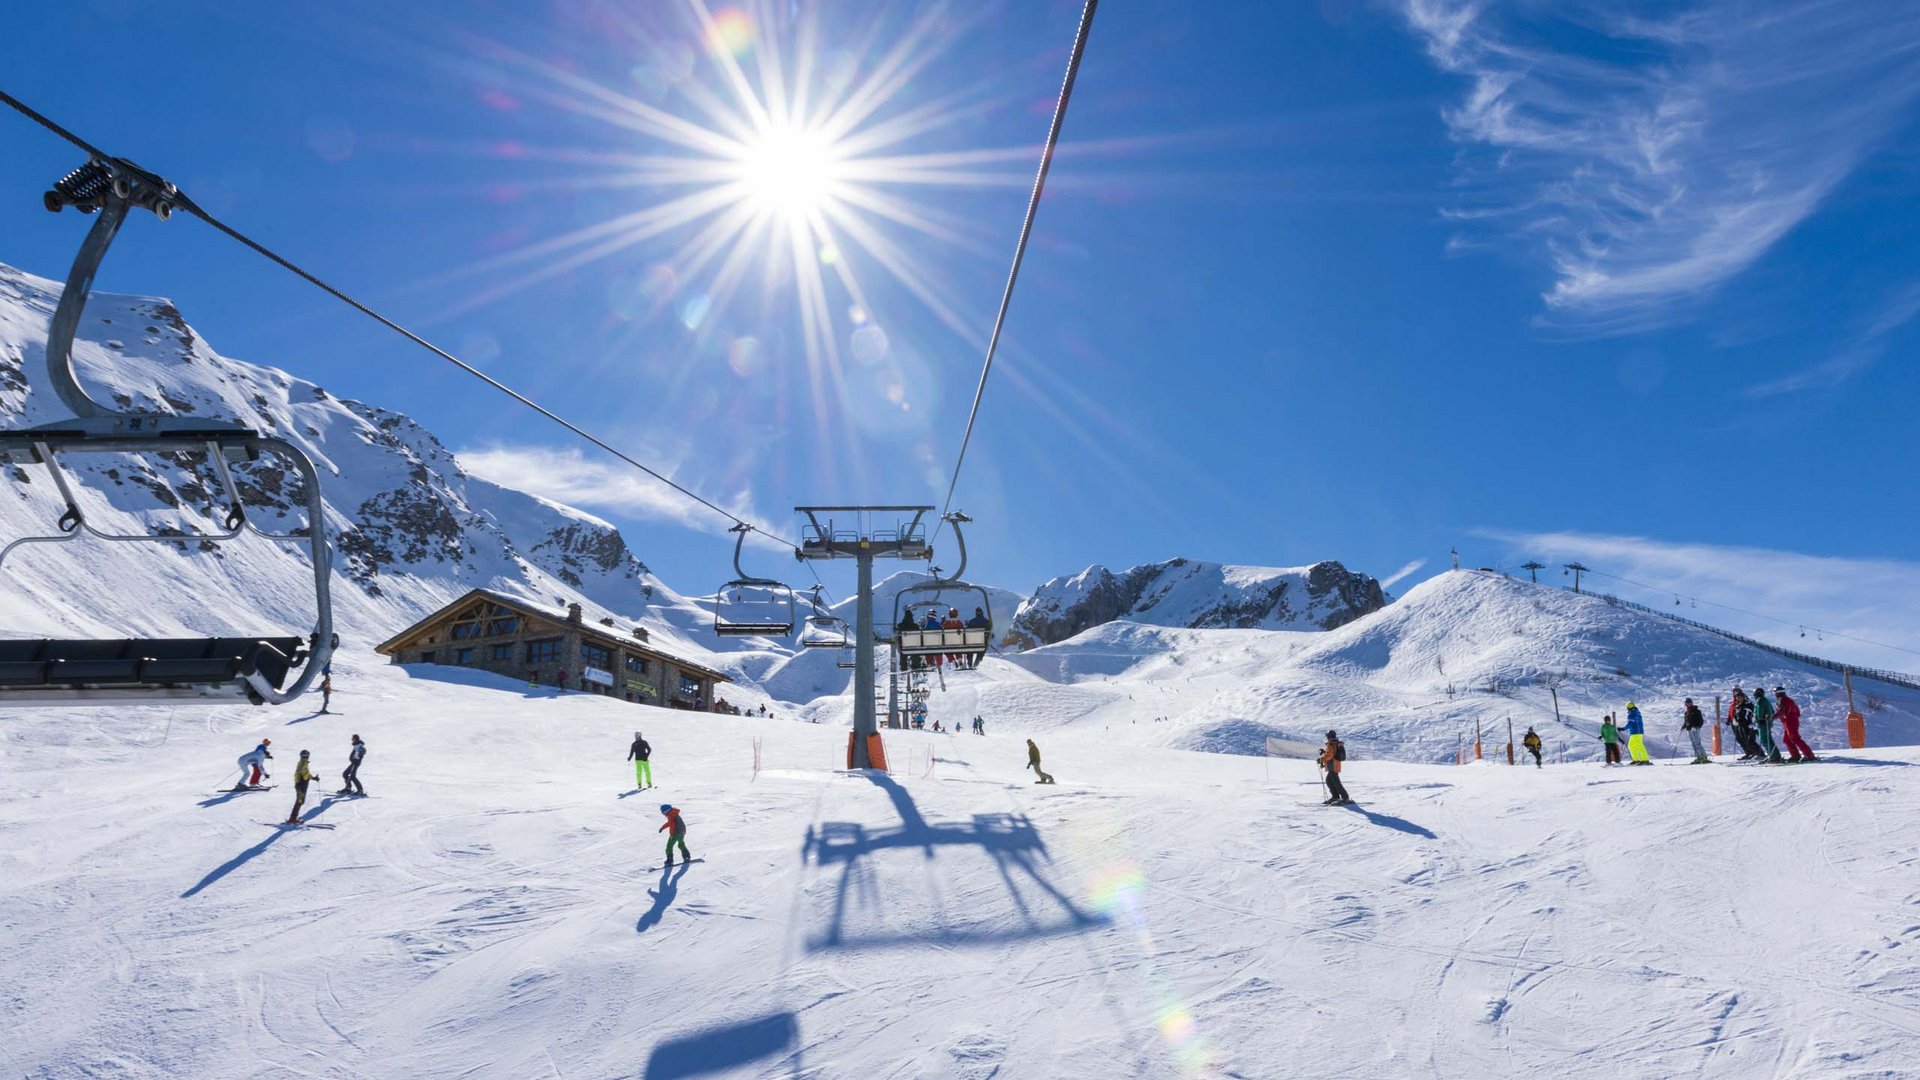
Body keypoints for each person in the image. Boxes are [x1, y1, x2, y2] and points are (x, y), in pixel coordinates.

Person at [1774, 687, 1816, 763]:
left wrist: (1772, 717)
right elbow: (1797, 712)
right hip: (1790, 721)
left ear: (1778, 693)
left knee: (1795, 738)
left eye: (1775, 692)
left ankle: (1809, 755)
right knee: (1787, 739)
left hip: (1790, 721)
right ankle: (1795, 756)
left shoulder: (1782, 700)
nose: (1774, 694)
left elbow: (1781, 713)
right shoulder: (1788, 700)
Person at [1752, 687, 1783, 764]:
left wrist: (1760, 719)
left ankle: (1774, 757)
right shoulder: (1766, 700)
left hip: (1763, 723)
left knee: (1765, 740)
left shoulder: (1760, 701)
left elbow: (1759, 711)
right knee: (1768, 739)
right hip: (1766, 722)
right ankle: (1774, 755)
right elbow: (1772, 711)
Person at [1319, 729, 1350, 805]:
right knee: (1329, 781)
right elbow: (1330, 754)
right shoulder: (1335, 744)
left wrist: (1321, 759)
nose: (1327, 738)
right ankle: (1336, 796)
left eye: (1327, 736)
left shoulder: (1331, 744)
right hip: (1334, 765)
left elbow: (1329, 756)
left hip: (1333, 765)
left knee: (1336, 782)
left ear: (1329, 736)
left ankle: (1345, 798)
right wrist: (1324, 754)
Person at [1728, 689, 1761, 760]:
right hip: (1740, 725)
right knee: (1742, 740)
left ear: (1743, 697)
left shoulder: (1747, 704)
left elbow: (1751, 714)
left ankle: (1760, 753)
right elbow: (1735, 713)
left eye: (1739, 697)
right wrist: (1733, 720)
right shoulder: (1737, 705)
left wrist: (1752, 723)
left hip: (1748, 725)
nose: (1738, 698)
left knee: (1750, 740)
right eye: (1737, 697)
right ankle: (1750, 753)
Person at [287, 750, 316, 824]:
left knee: (301, 801)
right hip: (301, 783)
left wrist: (313, 778)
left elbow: (306, 773)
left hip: (302, 783)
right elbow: (303, 774)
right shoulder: (303, 763)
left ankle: (293, 818)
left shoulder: (303, 763)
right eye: (306, 756)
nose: (306, 757)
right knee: (299, 801)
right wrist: (299, 787)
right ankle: (292, 819)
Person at [1682, 698, 1709, 764]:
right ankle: (1702, 757)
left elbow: (1701, 721)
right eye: (1686, 703)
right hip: (1690, 730)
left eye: (1689, 703)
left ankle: (1701, 757)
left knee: (1697, 743)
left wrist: (1697, 727)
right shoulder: (1687, 712)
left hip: (1695, 729)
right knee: (1694, 744)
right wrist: (1683, 726)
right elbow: (1686, 722)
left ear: (1691, 703)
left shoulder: (1696, 711)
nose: (1687, 704)